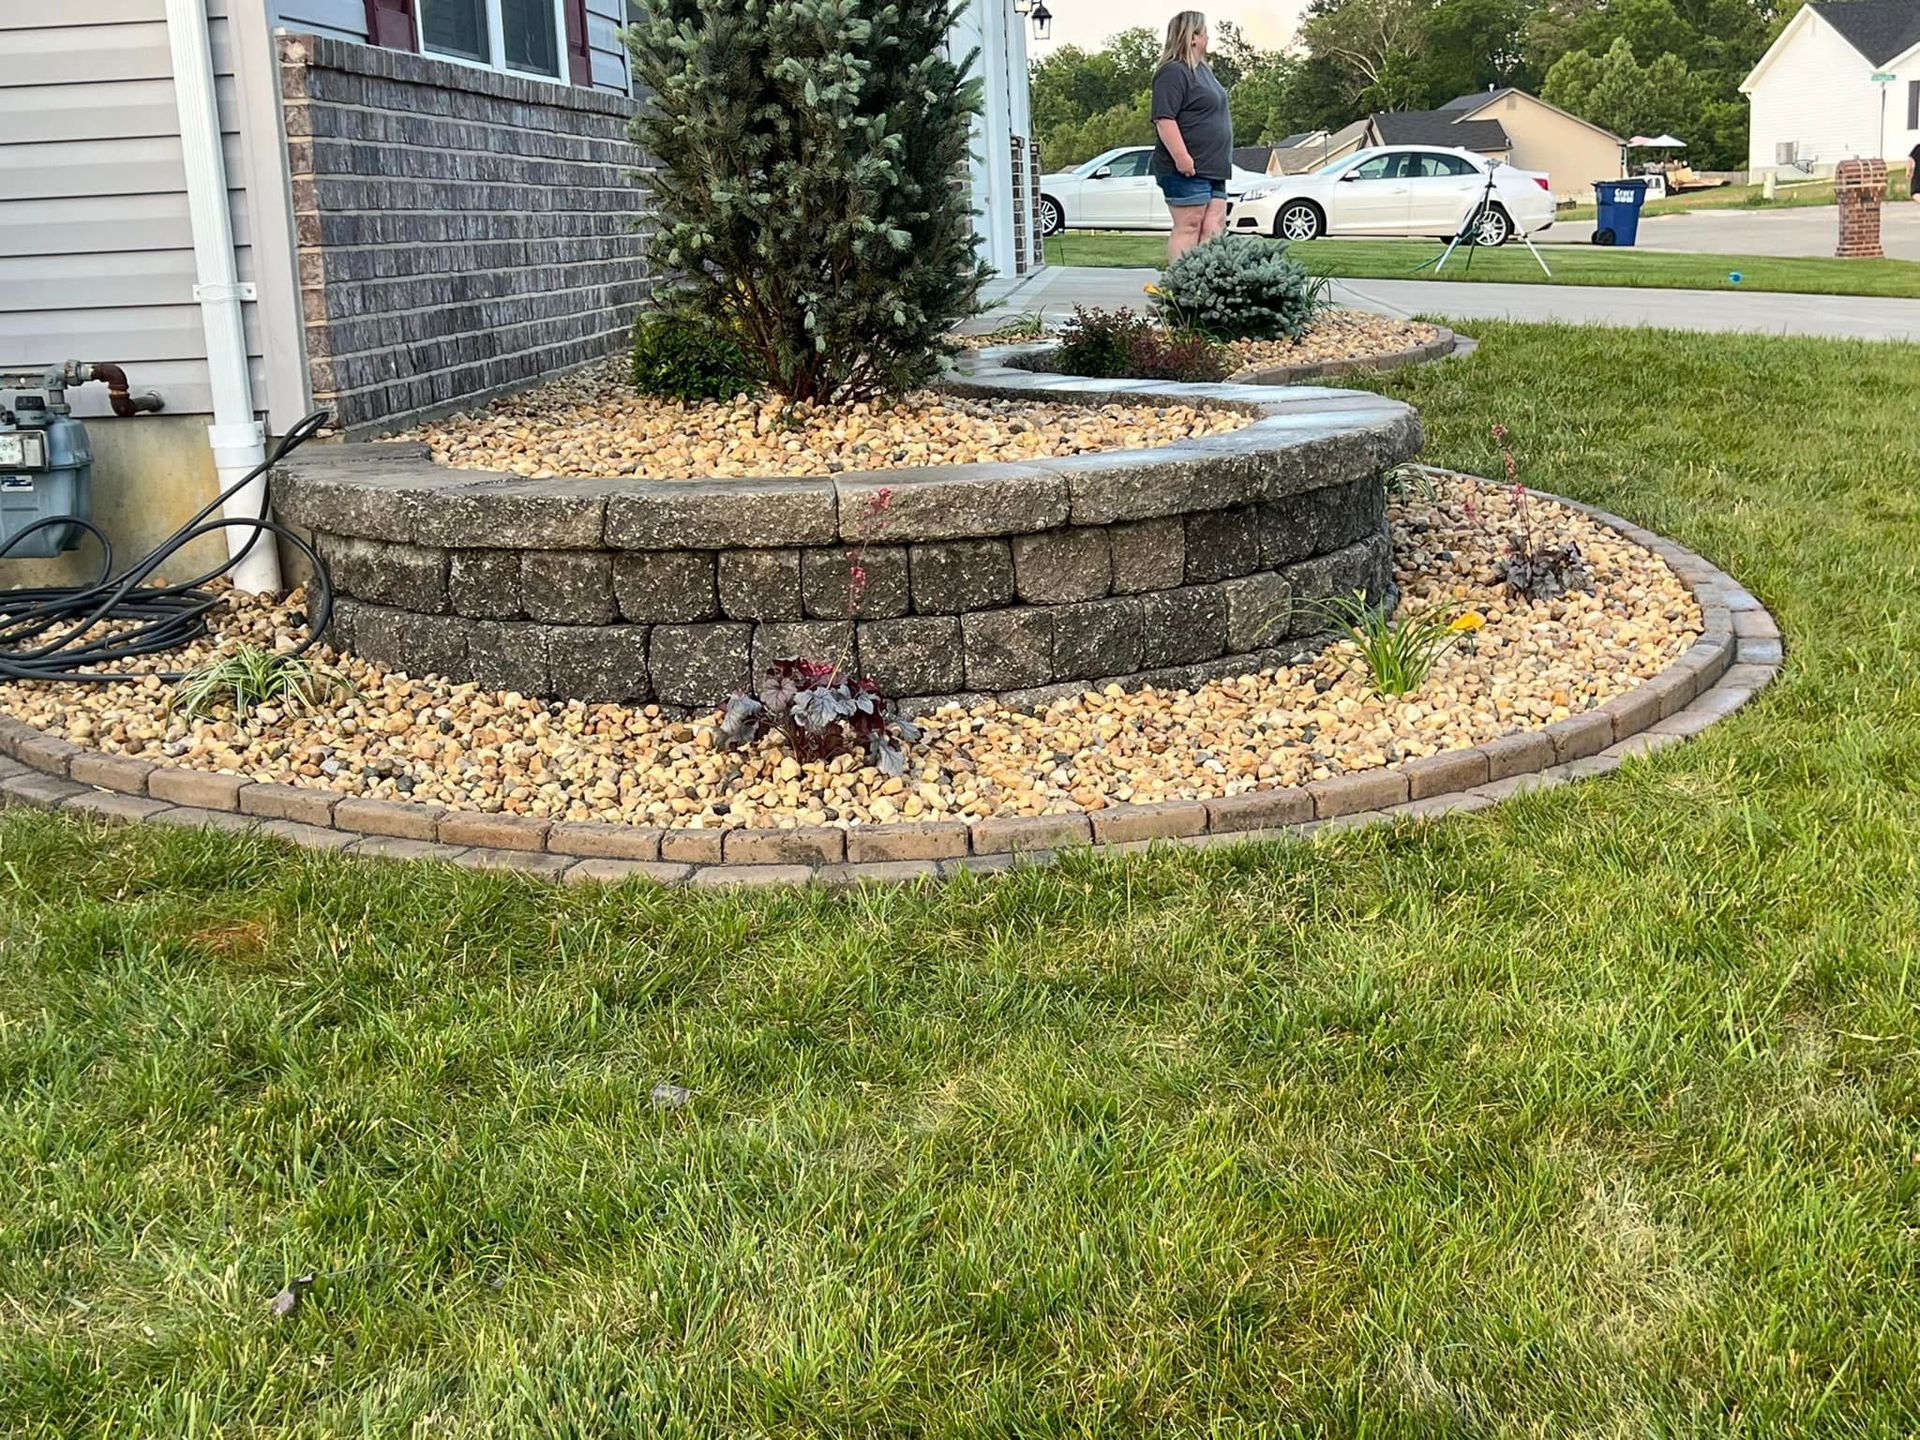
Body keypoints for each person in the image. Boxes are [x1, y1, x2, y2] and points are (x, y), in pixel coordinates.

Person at [1149, 11, 1233, 260]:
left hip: (1214, 167)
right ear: (1192, 37)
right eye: (1204, 32)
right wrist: (1182, 157)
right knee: (1190, 224)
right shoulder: (1173, 72)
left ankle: (1205, 279)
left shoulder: (1204, 71)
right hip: (1186, 167)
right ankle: (1181, 281)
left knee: (1215, 225)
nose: (1208, 36)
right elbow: (1164, 119)